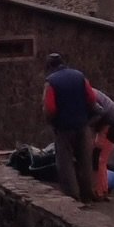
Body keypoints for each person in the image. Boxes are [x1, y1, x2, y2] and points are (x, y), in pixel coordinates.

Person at [43, 53, 99, 203]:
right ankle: (88, 192)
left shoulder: (51, 82)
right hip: (82, 124)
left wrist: (51, 122)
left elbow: (50, 108)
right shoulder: (80, 76)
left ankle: (72, 195)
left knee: (65, 161)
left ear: (49, 67)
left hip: (63, 128)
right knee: (85, 159)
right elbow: (92, 99)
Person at [91, 87, 114, 198]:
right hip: (113, 119)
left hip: (113, 121)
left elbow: (99, 114)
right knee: (98, 156)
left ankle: (100, 191)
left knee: (100, 158)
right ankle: (101, 188)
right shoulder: (86, 91)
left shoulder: (87, 96)